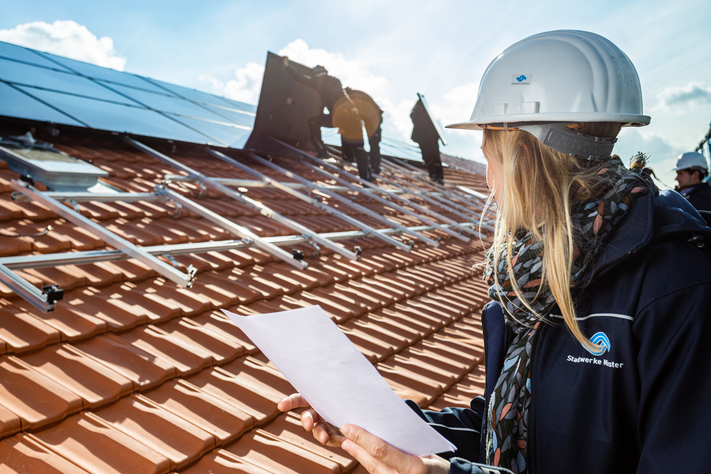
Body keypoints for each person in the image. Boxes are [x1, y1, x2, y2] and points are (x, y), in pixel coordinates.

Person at [279, 30, 711, 474]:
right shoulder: (530, 277)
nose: (487, 180)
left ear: (523, 156)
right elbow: (506, 428)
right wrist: (385, 427)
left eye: (489, 157)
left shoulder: (675, 288)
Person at [283, 58, 373, 180]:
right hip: (355, 117)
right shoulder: (335, 81)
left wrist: (287, 66)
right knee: (358, 147)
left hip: (340, 117)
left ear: (316, 75)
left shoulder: (319, 82)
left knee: (313, 122)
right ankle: (366, 178)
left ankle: (322, 152)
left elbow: (301, 78)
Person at [345, 87, 383, 176]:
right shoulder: (354, 95)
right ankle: (372, 166)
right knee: (371, 143)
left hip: (374, 119)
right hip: (368, 117)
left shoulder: (353, 97)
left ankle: (375, 167)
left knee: (374, 143)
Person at [411, 96, 445, 184]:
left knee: (430, 158)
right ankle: (437, 175)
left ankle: (435, 175)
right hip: (427, 139)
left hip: (426, 139)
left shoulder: (419, 113)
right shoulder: (420, 113)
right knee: (433, 158)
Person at [673, 151, 711, 221]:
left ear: (695, 174)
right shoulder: (681, 195)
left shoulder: (705, 200)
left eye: (680, 173)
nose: (676, 178)